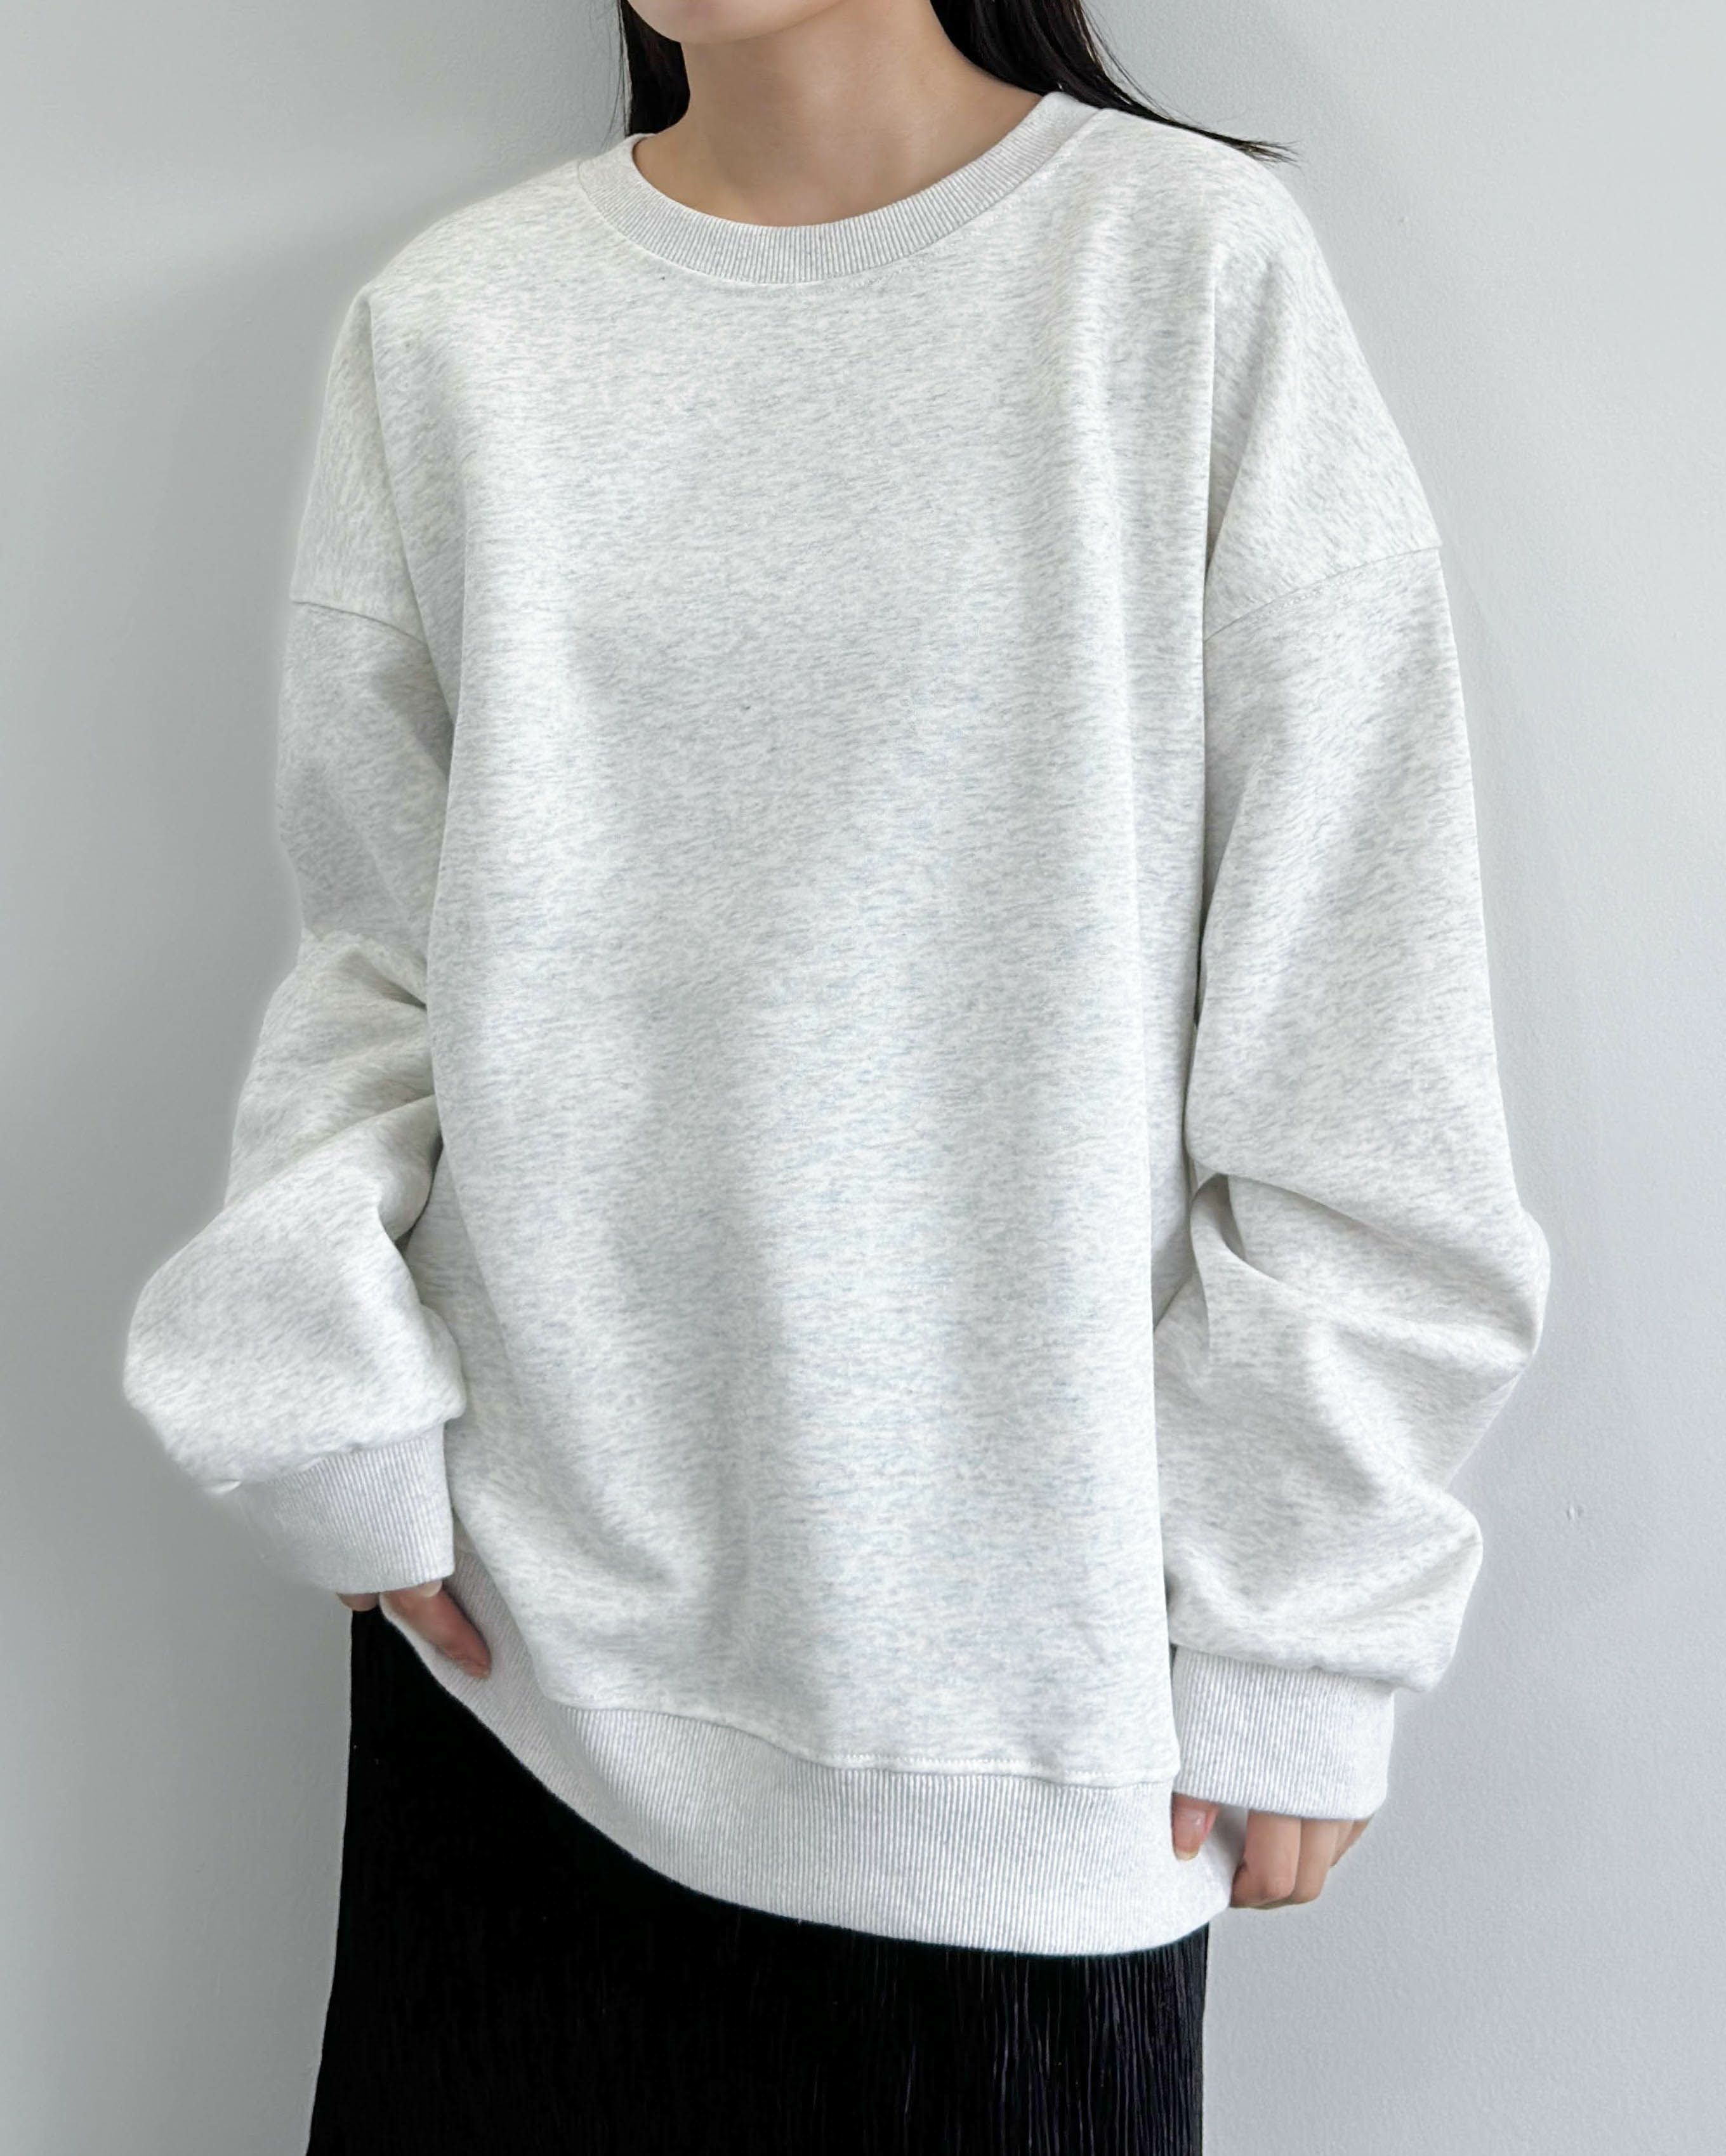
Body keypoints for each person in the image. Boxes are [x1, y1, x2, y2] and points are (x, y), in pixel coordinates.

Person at [119, 0, 1550, 2147]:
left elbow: (1359, 998)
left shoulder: (1177, 269)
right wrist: (326, 1409)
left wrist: (1309, 1615)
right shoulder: (461, 328)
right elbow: (380, 964)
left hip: (1018, 1733)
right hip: (509, 1682)